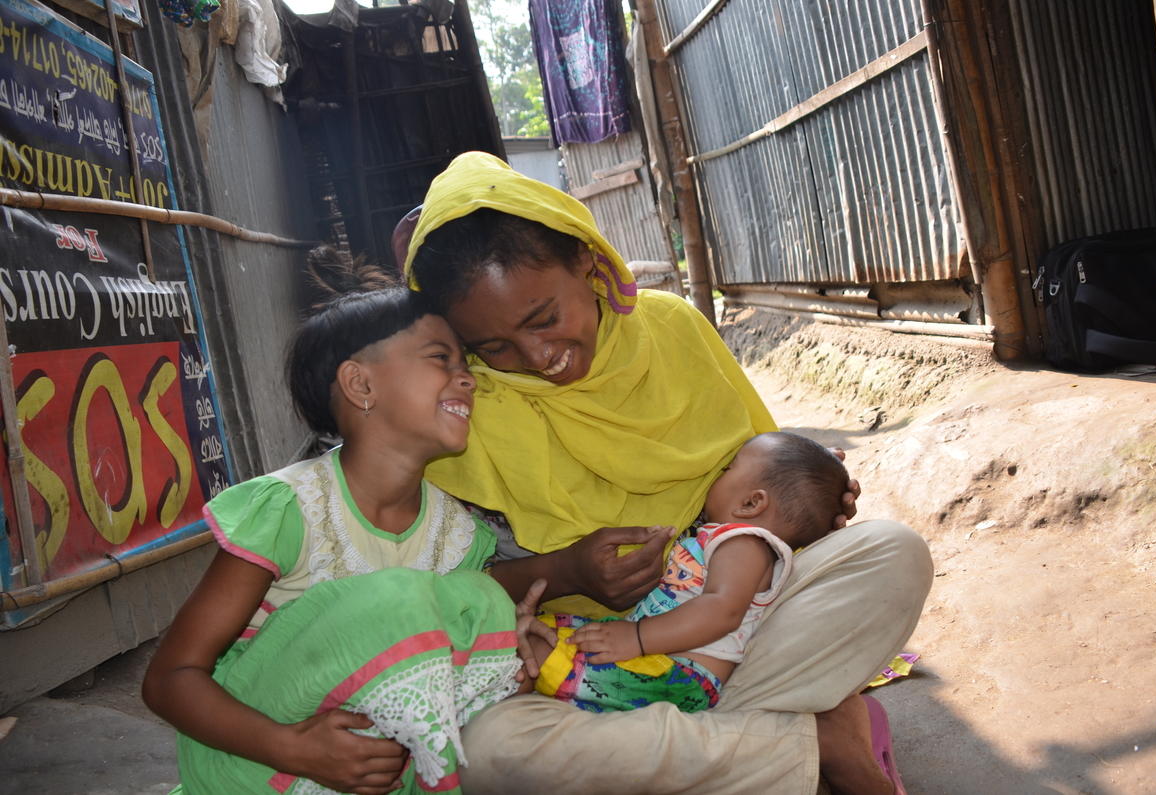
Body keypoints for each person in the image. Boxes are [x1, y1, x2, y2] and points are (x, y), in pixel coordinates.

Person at [401, 152, 934, 794]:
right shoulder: (469, 415)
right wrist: (568, 571)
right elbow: (456, 587)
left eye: (544, 319)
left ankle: (721, 755)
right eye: (495, 349)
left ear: (589, 264)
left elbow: (765, 475)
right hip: (585, 671)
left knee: (890, 552)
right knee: (488, 754)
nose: (539, 358)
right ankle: (809, 742)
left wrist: (810, 510)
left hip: (738, 633)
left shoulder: (672, 330)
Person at [142, 249, 553, 795]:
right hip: (256, 766)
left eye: (466, 365)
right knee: (419, 601)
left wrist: (504, 646)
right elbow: (169, 680)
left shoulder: (459, 537)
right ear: (361, 386)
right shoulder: (292, 509)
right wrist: (298, 749)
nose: (467, 380)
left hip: (379, 776)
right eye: (440, 359)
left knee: (483, 605)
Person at [532, 432, 848, 714]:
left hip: (677, 675)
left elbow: (722, 610)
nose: (718, 475)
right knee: (539, 633)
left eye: (728, 469)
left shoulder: (744, 543)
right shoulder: (734, 543)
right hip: (659, 660)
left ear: (751, 502)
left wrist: (638, 637)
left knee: (539, 653)